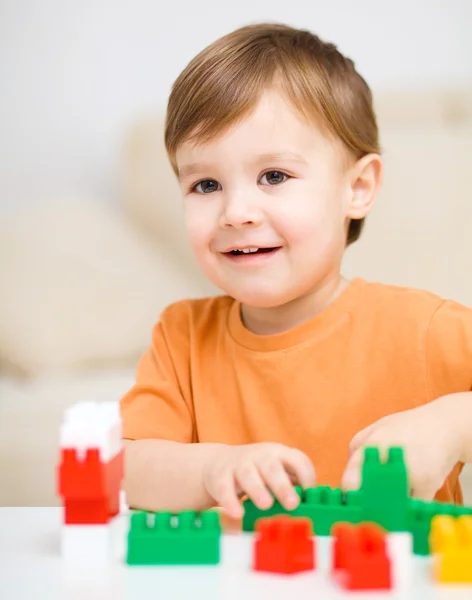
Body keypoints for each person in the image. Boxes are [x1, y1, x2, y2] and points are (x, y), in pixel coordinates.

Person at [120, 23, 472, 518]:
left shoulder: (425, 330)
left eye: (274, 176)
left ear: (358, 187)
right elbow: (128, 469)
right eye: (205, 185)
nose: (236, 212)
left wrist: (455, 423)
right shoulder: (182, 339)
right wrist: (213, 469)